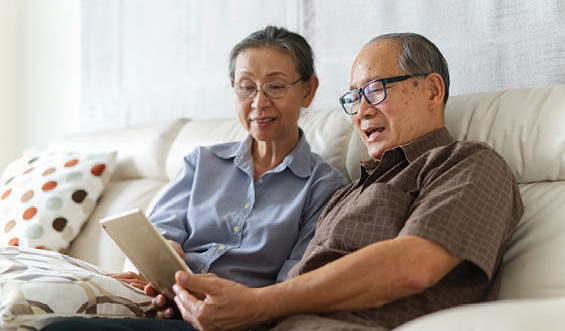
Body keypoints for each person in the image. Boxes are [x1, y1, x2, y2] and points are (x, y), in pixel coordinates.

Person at [159, 33, 524, 331]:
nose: (362, 111)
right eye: (354, 97)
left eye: (376, 89)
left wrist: (256, 304)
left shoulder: (467, 162)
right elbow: (292, 285)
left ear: (431, 90)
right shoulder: (349, 190)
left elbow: (412, 267)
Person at [41, 26, 346, 330]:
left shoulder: (324, 187)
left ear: (308, 90)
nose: (258, 102)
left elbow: (293, 286)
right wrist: (165, 258)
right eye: (246, 86)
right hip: (167, 305)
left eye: (275, 86)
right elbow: (159, 233)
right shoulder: (203, 162)